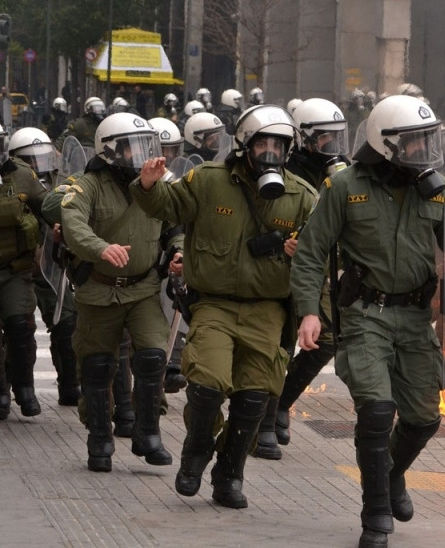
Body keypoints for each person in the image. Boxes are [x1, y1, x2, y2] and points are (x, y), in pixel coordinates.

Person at [130, 104, 316, 508]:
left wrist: (301, 255)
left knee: (253, 398)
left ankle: (229, 474)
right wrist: (148, 185)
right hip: (213, 304)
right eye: (262, 143)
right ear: (244, 145)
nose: (270, 152)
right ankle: (196, 452)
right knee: (207, 385)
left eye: (279, 145)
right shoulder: (208, 181)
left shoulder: (302, 197)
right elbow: (168, 208)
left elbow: (320, 256)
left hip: (267, 309)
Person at [290, 95, 445, 548]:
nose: (424, 149)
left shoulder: (437, 189)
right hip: (365, 315)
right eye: (414, 142)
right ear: (386, 145)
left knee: (423, 419)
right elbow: (310, 252)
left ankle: (391, 475)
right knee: (377, 411)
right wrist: (308, 310)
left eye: (427, 139)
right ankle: (375, 512)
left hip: (418, 316)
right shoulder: (345, 186)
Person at [60, 112, 180, 472]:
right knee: (97, 366)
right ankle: (99, 439)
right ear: (111, 151)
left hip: (142, 288)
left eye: (147, 146)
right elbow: (72, 222)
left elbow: (175, 224)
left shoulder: (157, 186)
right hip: (99, 291)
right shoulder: (86, 185)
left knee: (153, 357)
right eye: (133, 148)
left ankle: (148, 432)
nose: (142, 155)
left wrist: (179, 252)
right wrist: (100, 248)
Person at [258, 97, 350, 460]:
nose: (332, 145)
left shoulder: (341, 175)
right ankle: (263, 422)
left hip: (318, 271)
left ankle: (281, 401)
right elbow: (259, 220)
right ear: (304, 138)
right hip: (276, 270)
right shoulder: (278, 170)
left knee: (326, 341)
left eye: (336, 137)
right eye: (325, 137)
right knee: (278, 345)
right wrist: (283, 241)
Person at [9, 127, 80, 407]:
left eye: (43, 158)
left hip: (49, 270)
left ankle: (71, 384)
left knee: (68, 323)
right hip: (16, 270)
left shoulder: (61, 185)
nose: (39, 166)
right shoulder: (6, 185)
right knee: (16, 331)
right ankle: (10, 386)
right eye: (30, 160)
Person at [0, 120, 48, 420]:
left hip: (14, 269)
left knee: (21, 326)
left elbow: (48, 208)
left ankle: (25, 388)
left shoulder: (23, 176)